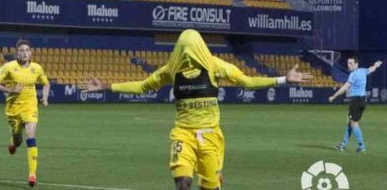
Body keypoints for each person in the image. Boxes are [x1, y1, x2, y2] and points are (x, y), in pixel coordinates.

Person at [82, 29, 311, 190]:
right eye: (185, 48)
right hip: (183, 134)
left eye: (192, 48)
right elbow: (143, 86)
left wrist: (283, 80)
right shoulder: (170, 71)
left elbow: (247, 82)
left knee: (209, 186)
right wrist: (106, 86)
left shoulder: (215, 66)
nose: (189, 52)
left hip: (210, 136)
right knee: (182, 181)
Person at [0, 39, 50, 188]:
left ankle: (32, 174)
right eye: (21, 50)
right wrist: (10, 90)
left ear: (31, 52)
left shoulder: (37, 68)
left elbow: (46, 83)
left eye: (26, 50)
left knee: (31, 136)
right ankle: (13, 141)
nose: (24, 53)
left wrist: (45, 97)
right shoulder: (8, 67)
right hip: (13, 108)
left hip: (30, 107)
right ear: (17, 52)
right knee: (18, 140)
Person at [329, 57, 382, 152]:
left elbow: (345, 87)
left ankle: (362, 147)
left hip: (355, 101)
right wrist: (376, 65)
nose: (348, 65)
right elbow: (371, 69)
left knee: (354, 124)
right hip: (362, 101)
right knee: (350, 122)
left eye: (351, 63)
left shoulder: (353, 74)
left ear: (356, 64)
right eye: (348, 63)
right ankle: (343, 145)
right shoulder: (363, 71)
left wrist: (334, 96)